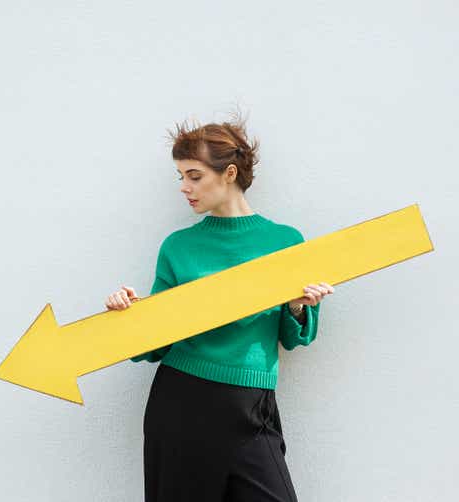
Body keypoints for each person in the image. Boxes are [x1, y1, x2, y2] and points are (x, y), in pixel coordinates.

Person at [105, 111, 334, 502]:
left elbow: (295, 338)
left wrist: (297, 308)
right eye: (181, 176)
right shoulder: (178, 247)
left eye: (194, 175)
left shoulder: (285, 241)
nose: (184, 187)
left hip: (252, 404)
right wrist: (129, 316)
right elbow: (154, 344)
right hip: (181, 401)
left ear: (229, 174)